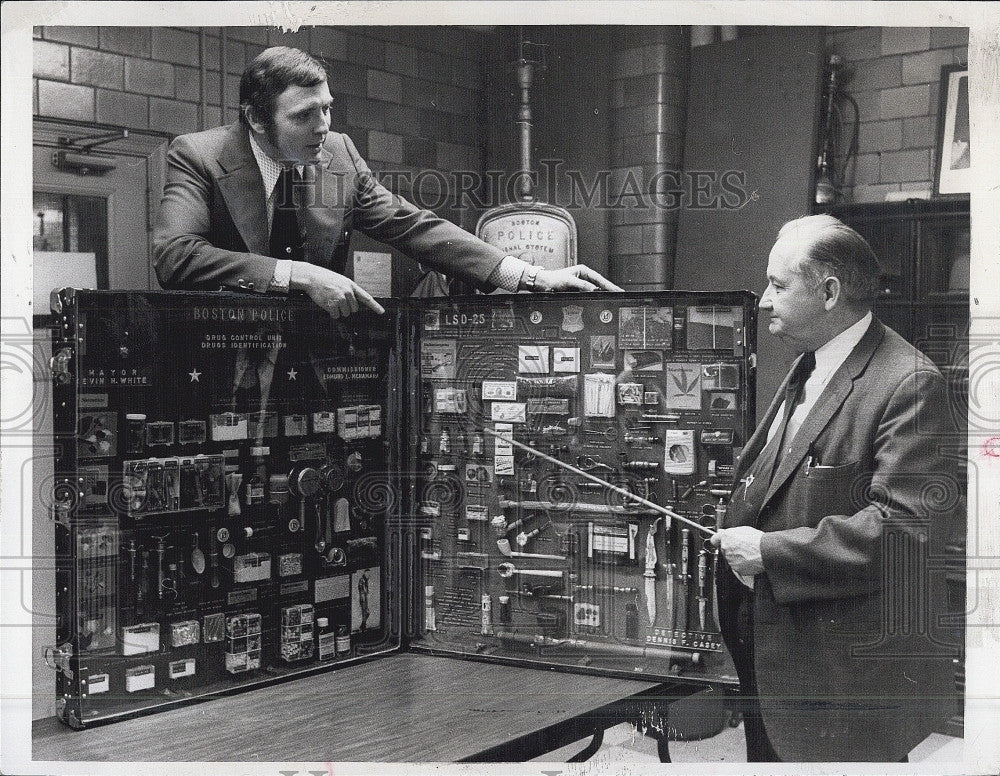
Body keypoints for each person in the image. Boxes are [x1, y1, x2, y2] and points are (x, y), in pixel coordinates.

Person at [710, 215, 958, 762]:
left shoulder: (909, 383)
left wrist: (768, 552)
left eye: (778, 286)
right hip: (777, 660)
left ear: (829, 293)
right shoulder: (810, 361)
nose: (764, 302)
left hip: (842, 685)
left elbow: (905, 531)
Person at [153, 46, 620, 317]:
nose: (323, 126)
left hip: (312, 366)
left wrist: (533, 277)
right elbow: (177, 258)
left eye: (327, 108)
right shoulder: (199, 155)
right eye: (304, 115)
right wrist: (298, 274)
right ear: (256, 118)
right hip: (220, 356)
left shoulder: (338, 154)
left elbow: (415, 227)